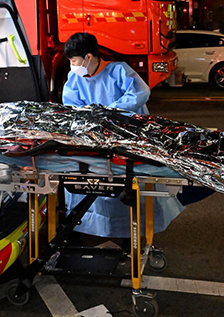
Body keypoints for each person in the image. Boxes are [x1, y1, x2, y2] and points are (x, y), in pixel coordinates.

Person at [61, 32, 184, 239]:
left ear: (88, 57)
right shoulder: (75, 78)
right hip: (96, 140)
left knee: (131, 185)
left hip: (127, 138)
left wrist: (111, 113)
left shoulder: (118, 71)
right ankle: (95, 229)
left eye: (74, 61)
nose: (72, 66)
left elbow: (140, 93)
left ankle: (136, 232)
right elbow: (72, 107)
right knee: (97, 186)